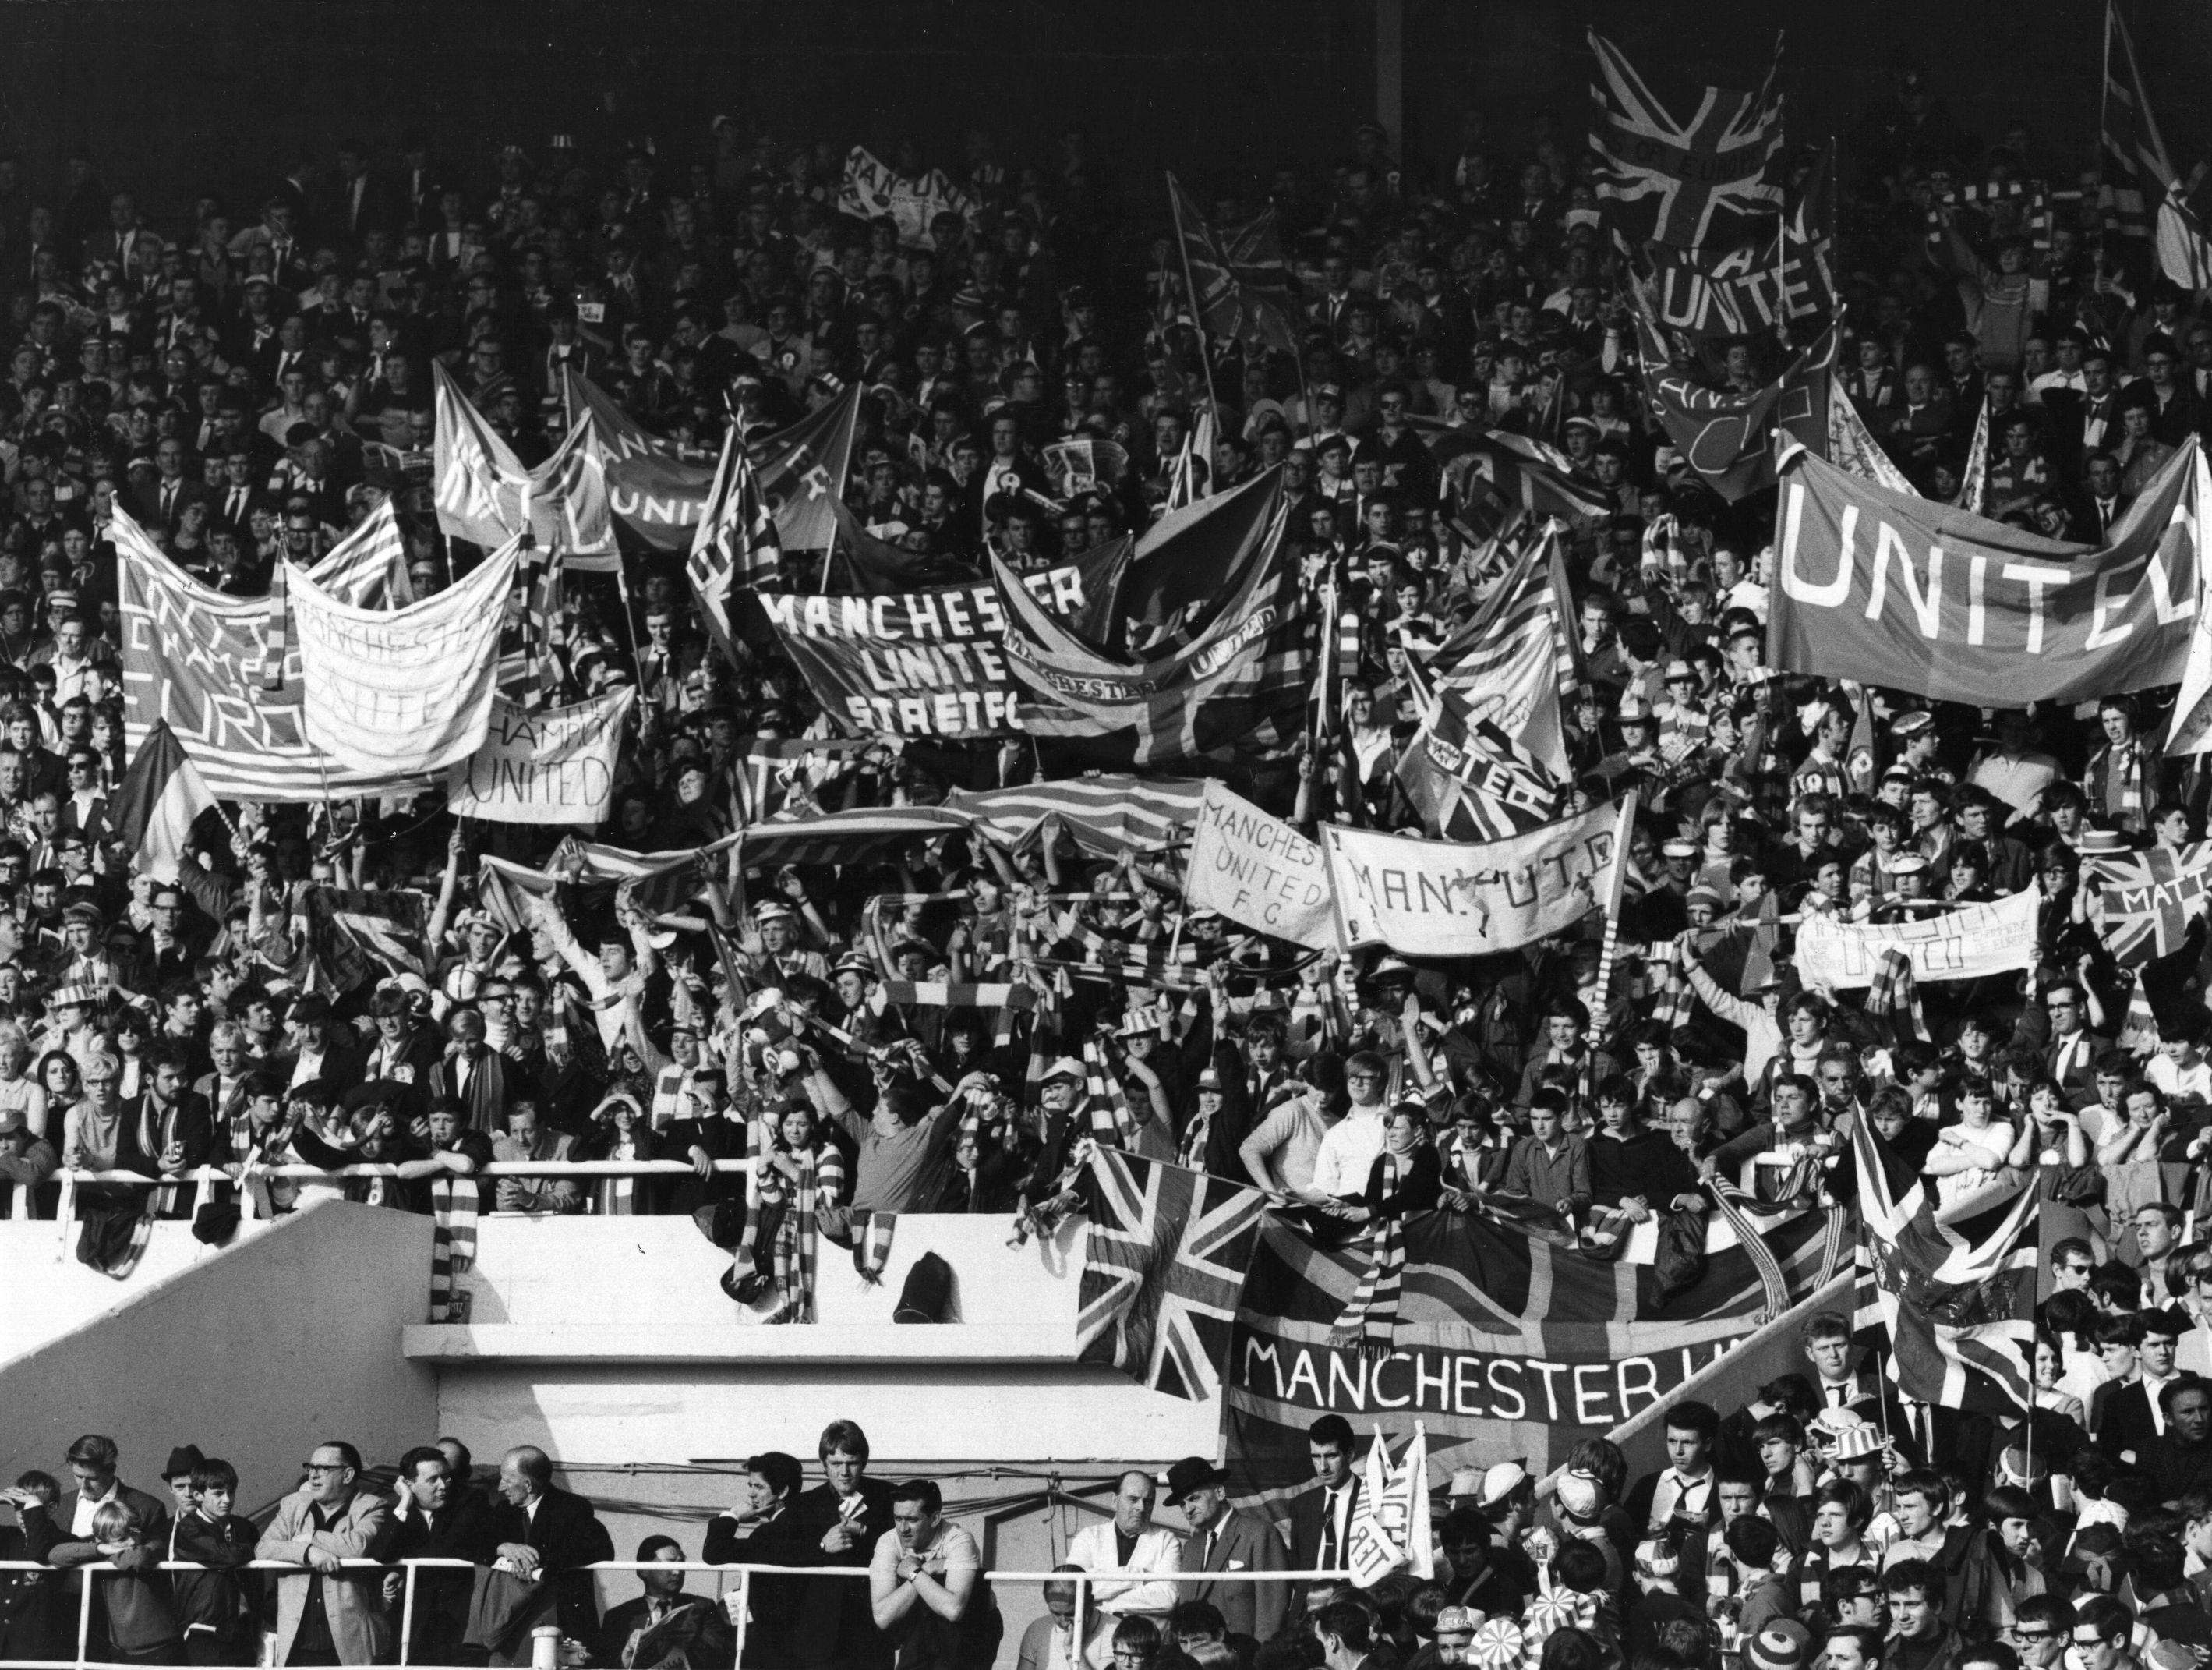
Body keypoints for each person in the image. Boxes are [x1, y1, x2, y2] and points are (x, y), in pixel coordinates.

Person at [254, 1441, 390, 1667]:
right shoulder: (293, 1505)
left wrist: (311, 1537)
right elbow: (263, 1549)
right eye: (311, 1468)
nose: (313, 1476)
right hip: (298, 1644)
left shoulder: (372, 1506)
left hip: (349, 1646)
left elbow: (357, 1547)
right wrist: (309, 1553)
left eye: (323, 1469)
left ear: (347, 1475)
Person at [376, 1445, 496, 1668]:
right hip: (416, 1626)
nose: (443, 1486)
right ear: (409, 1484)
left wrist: (404, 1569)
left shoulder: (470, 1500)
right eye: (433, 1480)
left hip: (461, 1624)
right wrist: (404, 1501)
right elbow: (382, 1554)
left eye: (446, 1477)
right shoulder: (401, 1510)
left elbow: (452, 1545)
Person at [486, 1446, 613, 1651]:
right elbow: (471, 1541)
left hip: (561, 1623)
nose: (501, 1487)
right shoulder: (504, 1511)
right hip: (514, 1626)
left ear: (528, 1485)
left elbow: (601, 1549)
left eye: (507, 1481)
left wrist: (534, 1561)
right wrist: (504, 1548)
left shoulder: (572, 1508)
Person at [793, 1420, 896, 1670]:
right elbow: (789, 1555)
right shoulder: (804, 1505)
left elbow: (906, 1545)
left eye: (852, 1463)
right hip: (818, 1631)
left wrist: (864, 1531)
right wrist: (821, 1545)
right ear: (823, 1466)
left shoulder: (890, 1497)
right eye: (836, 1464)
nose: (844, 1472)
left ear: (865, 1463)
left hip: (871, 1629)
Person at [867, 1477, 992, 1669]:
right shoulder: (888, 1542)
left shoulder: (958, 1539)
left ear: (935, 1519)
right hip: (922, 1627)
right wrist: (922, 1572)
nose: (903, 1529)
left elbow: (954, 1610)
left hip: (972, 1626)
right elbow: (883, 1617)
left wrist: (915, 1572)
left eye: (912, 1520)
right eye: (898, 1518)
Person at [1165, 1456, 1290, 1647]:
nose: (1188, 1509)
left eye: (1194, 1498)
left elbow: (1271, 1612)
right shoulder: (1191, 1548)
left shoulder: (1259, 1534)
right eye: (1182, 1504)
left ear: (1220, 1492)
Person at [703, 1452, 813, 1666]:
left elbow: (713, 1552)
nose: (751, 1495)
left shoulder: (775, 1531)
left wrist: (732, 1516)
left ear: (782, 1491)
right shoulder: (799, 1521)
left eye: (759, 1487)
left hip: (773, 1647)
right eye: (750, 1485)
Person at [593, 1537, 730, 1670]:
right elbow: (606, 1664)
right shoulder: (618, 1617)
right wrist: (628, 1652)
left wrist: (690, 1643)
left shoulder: (702, 1606)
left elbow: (719, 1655)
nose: (677, 1572)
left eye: (681, 1564)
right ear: (644, 1570)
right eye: (669, 1564)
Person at [1066, 1471, 1182, 1622]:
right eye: (1133, 1499)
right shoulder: (1089, 1537)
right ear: (1115, 1501)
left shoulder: (1166, 1540)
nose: (1141, 1507)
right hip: (1095, 1636)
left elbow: (1167, 1597)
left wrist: (1104, 1602)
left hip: (1146, 1639)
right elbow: (1074, 1588)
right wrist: (1136, 1576)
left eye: (1148, 1501)